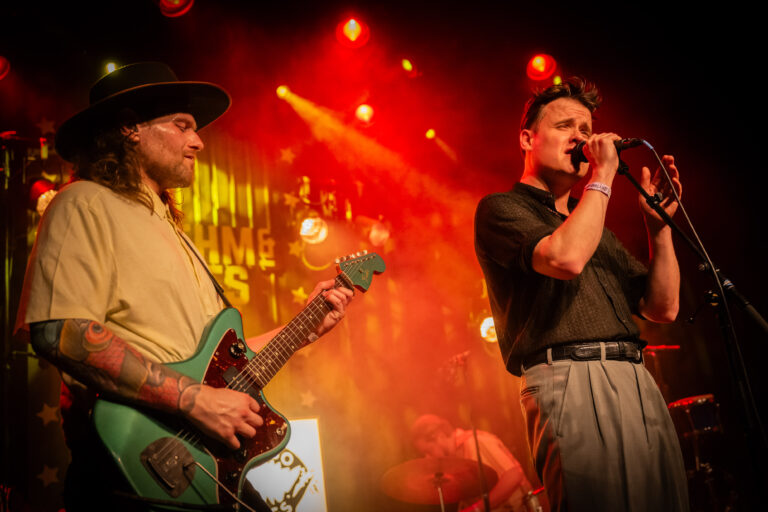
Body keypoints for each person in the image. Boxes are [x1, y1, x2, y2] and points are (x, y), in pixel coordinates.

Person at [15, 62, 353, 509]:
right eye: (182, 125)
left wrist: (305, 328)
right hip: (132, 467)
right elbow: (61, 331)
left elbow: (214, 365)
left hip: (200, 468)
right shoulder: (84, 202)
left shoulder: (173, 232)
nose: (198, 141)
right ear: (130, 128)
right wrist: (195, 401)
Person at [473, 77, 688, 511]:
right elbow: (565, 258)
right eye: (565, 127)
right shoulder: (501, 208)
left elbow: (662, 307)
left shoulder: (593, 225)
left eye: (586, 130)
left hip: (634, 376)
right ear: (527, 139)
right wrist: (603, 176)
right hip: (570, 376)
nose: (581, 139)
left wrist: (659, 229)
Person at [411, 414, 538, 512]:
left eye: (428, 451)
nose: (428, 457)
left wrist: (477, 509)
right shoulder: (455, 460)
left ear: (439, 436)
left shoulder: (476, 442)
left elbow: (514, 475)